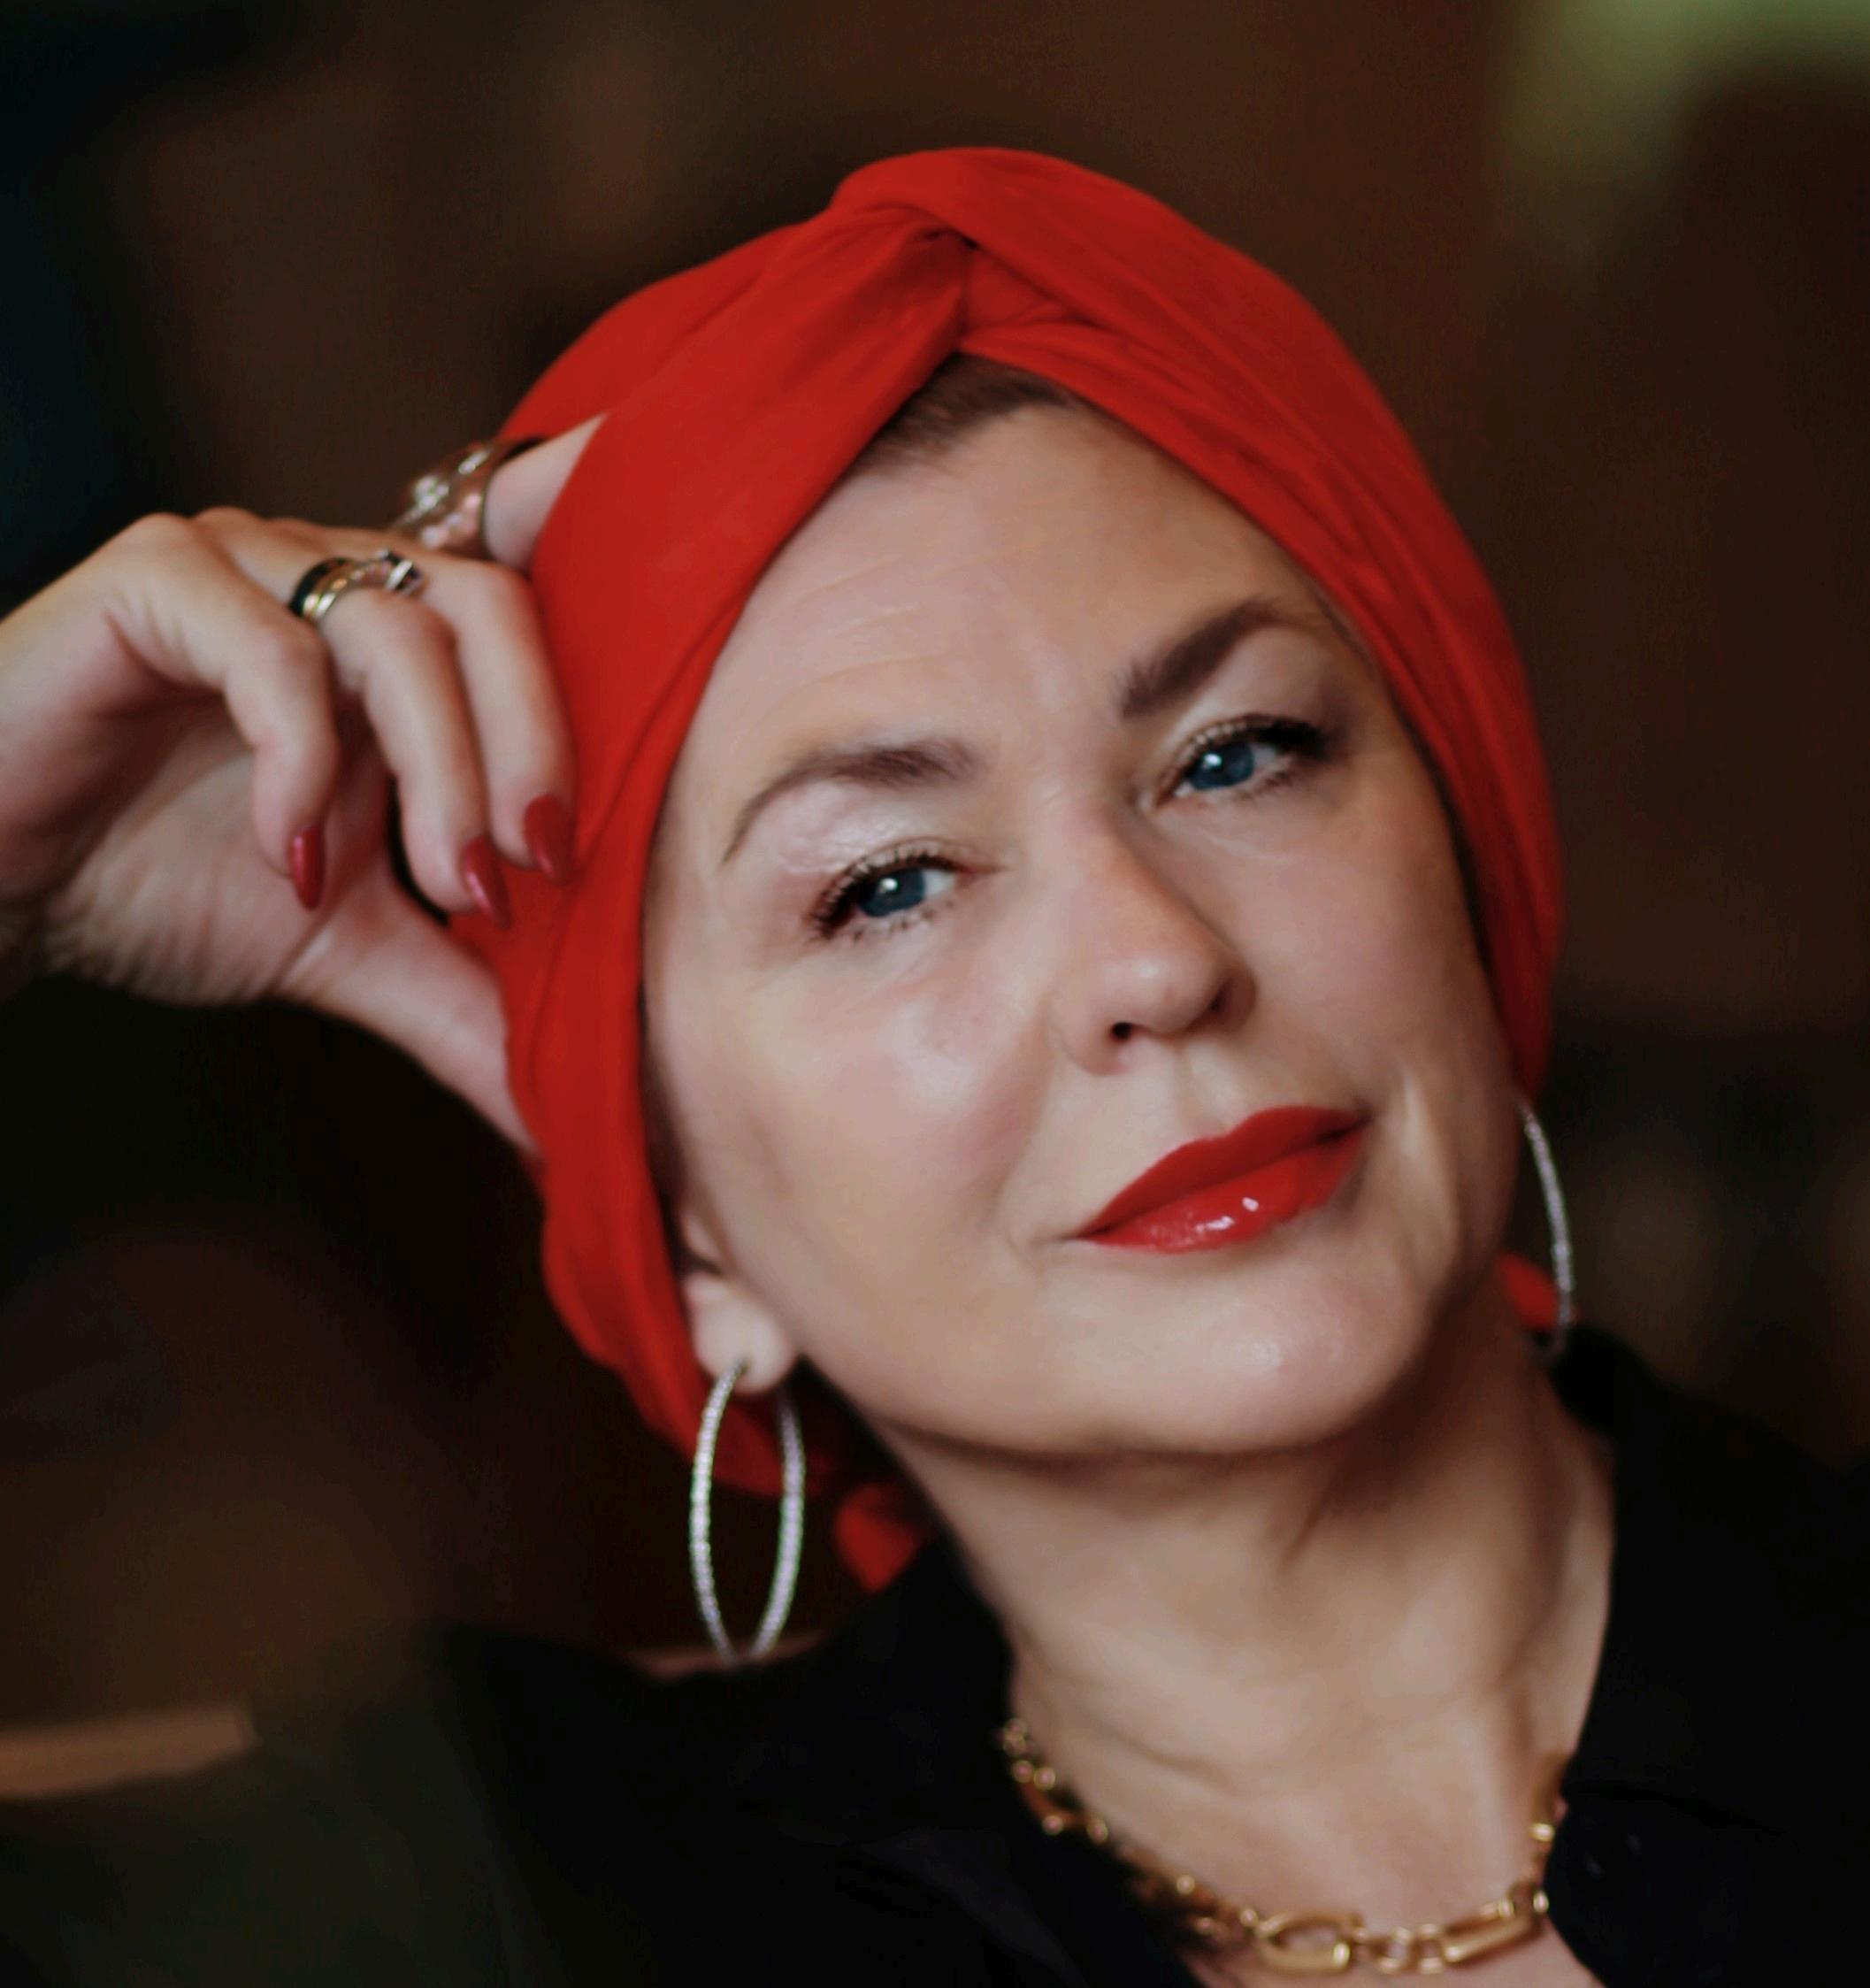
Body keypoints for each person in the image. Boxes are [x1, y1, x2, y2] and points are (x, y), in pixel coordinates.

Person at [0, 147, 1861, 1986]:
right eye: (886, 884)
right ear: (689, 1231)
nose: (1154, 962)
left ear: (1465, 858)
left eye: (1238, 754)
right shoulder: (499, 1901)